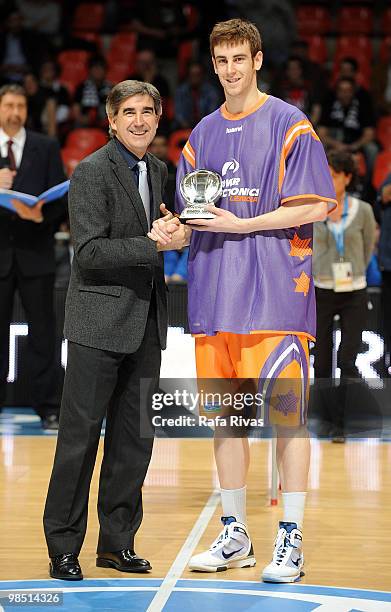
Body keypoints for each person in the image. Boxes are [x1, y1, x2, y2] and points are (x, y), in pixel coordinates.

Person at [150, 19, 336, 583]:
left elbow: (315, 206)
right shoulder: (201, 135)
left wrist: (243, 223)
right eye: (221, 60)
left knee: (288, 422)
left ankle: (291, 539)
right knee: (227, 424)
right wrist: (178, 233)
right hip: (215, 296)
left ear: (257, 60)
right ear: (212, 65)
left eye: (239, 59)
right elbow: (198, 217)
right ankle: (236, 535)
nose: (230, 70)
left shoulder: (289, 123)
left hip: (277, 297)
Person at [43, 80, 188, 581]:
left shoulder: (161, 169)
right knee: (79, 442)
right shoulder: (90, 171)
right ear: (111, 118)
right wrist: (154, 243)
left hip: (146, 323)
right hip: (96, 325)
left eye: (148, 111)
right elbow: (90, 253)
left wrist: (179, 232)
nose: (139, 120)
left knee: (133, 443)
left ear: (158, 116)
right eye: (129, 112)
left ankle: (116, 543)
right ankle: (63, 545)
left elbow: (162, 231)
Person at [0, 83, 67, 429]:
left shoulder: (45, 145)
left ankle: (50, 407)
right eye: (9, 105)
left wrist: (41, 215)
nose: (15, 112)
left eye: (20, 106)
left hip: (35, 252)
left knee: (43, 334)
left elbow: (60, 197)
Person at [312, 150, 376, 440]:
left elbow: (366, 249)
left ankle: (342, 421)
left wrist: (354, 270)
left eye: (335, 175)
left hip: (354, 292)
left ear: (347, 178)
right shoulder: (313, 208)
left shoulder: (362, 210)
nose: (330, 180)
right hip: (322, 289)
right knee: (322, 361)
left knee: (348, 359)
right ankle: (325, 419)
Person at [73, 55, 112, 129]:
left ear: (105, 70)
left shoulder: (111, 88)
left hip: (106, 125)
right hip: (85, 124)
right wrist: (83, 119)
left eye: (101, 68)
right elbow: (76, 111)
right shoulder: (81, 87)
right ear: (89, 70)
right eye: (95, 68)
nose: (98, 70)